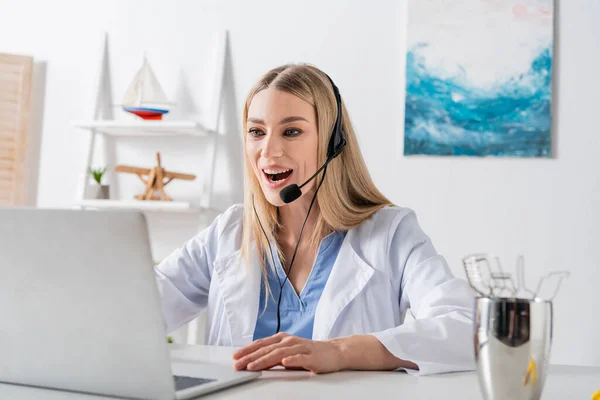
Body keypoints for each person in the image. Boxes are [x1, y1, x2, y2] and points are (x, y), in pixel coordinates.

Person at [155, 64, 475, 375]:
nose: (269, 151)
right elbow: (137, 312)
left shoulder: (392, 233)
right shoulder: (229, 231)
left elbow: (465, 328)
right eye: (256, 131)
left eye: (291, 131)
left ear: (333, 144)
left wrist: (340, 352)